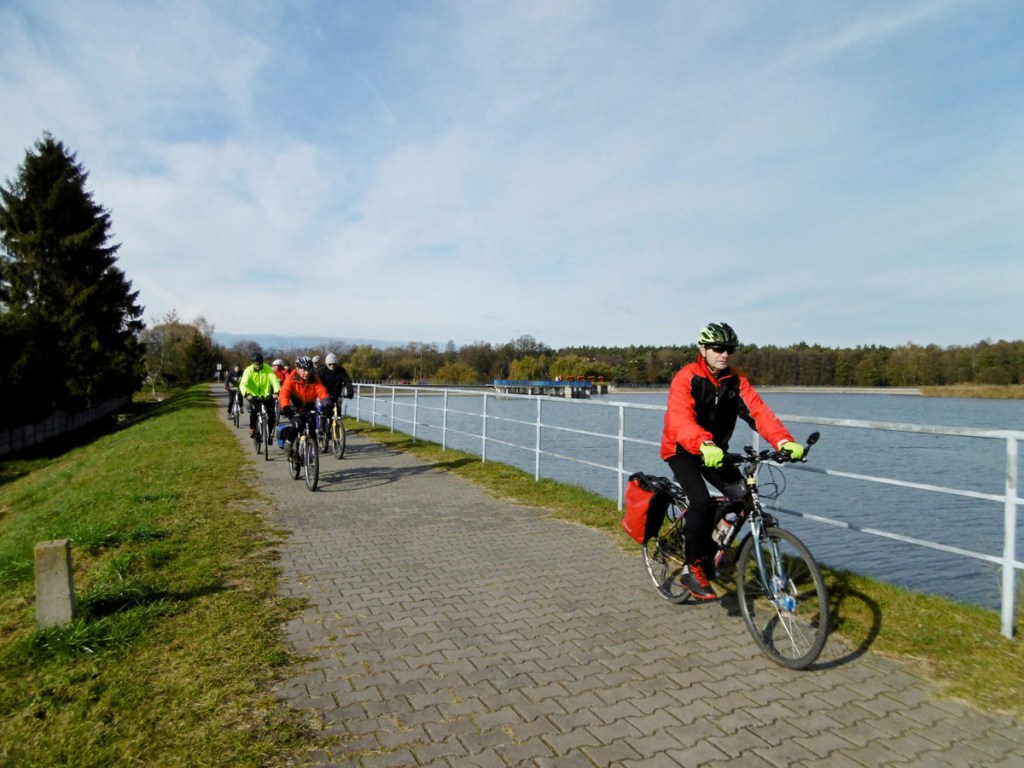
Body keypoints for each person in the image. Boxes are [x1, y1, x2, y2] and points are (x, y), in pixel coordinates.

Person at [660, 322, 805, 601]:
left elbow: (758, 412)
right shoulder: (687, 377)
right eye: (718, 348)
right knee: (701, 501)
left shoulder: (735, 380)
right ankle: (693, 568)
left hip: (715, 451)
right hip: (682, 449)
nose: (724, 354)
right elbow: (681, 418)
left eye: (729, 349)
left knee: (742, 495)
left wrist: (783, 442)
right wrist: (703, 443)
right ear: (703, 349)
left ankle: (709, 546)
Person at [279, 355, 331, 455]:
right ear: (298, 369)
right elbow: (284, 393)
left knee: (312, 430)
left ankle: (312, 455)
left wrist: (327, 403)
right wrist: (285, 407)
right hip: (294, 407)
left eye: (308, 370)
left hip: (309, 406)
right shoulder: (291, 379)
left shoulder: (314, 379)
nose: (306, 373)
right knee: (298, 424)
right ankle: (288, 442)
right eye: (304, 370)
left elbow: (321, 391)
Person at [239, 352, 282, 439]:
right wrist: (246, 393)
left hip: (266, 395)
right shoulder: (248, 370)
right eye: (256, 364)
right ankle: (252, 429)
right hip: (252, 395)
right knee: (254, 409)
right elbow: (243, 384)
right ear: (253, 363)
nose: (258, 366)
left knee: (272, 413)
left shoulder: (268, 369)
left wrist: (276, 391)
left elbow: (274, 380)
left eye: (260, 364)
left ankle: (270, 432)